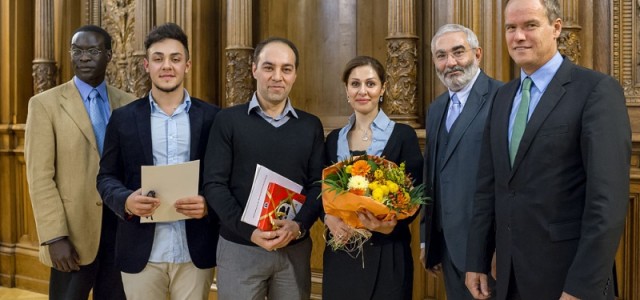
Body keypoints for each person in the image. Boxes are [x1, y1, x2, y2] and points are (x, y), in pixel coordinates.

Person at [464, 0, 631, 299]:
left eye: (530, 25)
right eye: (510, 28)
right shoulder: (503, 97)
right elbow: (487, 187)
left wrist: (582, 287)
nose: (518, 36)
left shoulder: (596, 91)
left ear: (556, 28)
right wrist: (477, 258)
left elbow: (606, 203)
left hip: (568, 279)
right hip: (508, 277)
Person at [96, 23, 219, 299]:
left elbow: (224, 178)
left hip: (194, 250)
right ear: (146, 65)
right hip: (141, 252)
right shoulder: (123, 119)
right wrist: (126, 200)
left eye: (175, 59)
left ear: (187, 65)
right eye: (158, 58)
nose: (167, 66)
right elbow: (105, 178)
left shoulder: (213, 118)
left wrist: (209, 204)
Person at [202, 37, 324, 299]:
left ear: (295, 75)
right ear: (254, 69)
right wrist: (251, 232)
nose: (277, 76)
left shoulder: (310, 126)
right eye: (269, 67)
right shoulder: (227, 121)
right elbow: (214, 185)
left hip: (293, 249)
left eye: (286, 69)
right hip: (240, 248)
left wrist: (299, 226)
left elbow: (318, 185)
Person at [24, 25, 134, 300]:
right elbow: (40, 177)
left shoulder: (129, 104)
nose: (84, 57)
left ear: (109, 55)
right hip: (71, 236)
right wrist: (54, 236)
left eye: (93, 51)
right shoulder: (44, 105)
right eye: (77, 51)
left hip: (120, 230)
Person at [322, 56, 423, 300]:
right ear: (346, 90)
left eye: (370, 83)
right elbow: (321, 192)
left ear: (383, 89)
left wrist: (389, 225)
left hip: (387, 253)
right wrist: (328, 219)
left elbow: (415, 194)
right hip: (341, 252)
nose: (362, 91)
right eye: (355, 84)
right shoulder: (333, 139)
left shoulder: (403, 136)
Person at [420, 24, 502, 299]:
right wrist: (426, 239)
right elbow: (430, 178)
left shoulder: (503, 98)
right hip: (446, 247)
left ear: (477, 54)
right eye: (441, 56)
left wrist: (500, 248)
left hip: (488, 252)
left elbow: (510, 182)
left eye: (458, 52)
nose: (451, 63)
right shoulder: (436, 109)